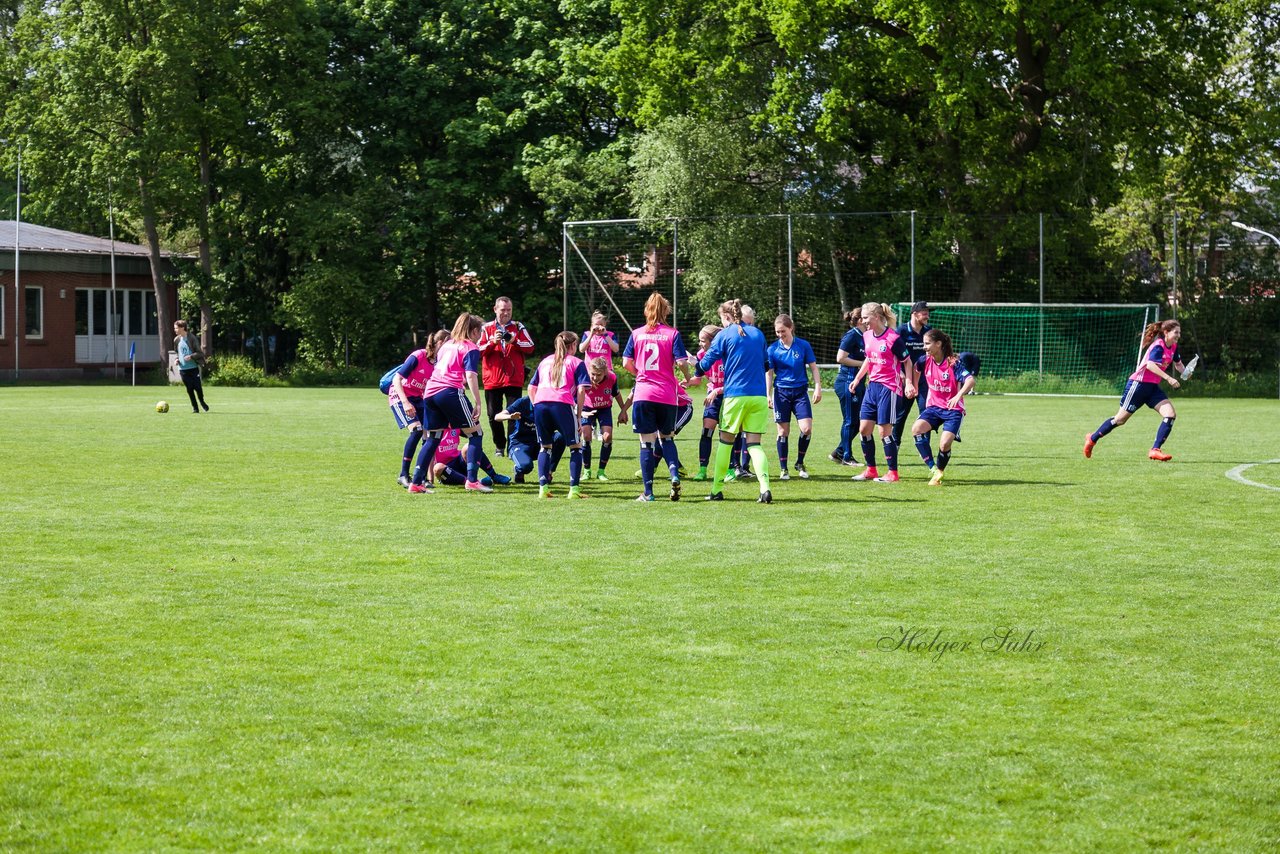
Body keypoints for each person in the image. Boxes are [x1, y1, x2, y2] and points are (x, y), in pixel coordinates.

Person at [693, 299, 773, 503]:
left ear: (726, 317)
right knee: (754, 444)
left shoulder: (724, 334)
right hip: (759, 396)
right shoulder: (758, 333)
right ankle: (764, 489)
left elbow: (705, 363)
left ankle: (716, 490)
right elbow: (766, 365)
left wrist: (696, 368)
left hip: (735, 396)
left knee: (725, 443)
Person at [409, 312, 491, 494]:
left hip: (430, 392)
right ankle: (472, 480)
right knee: (476, 434)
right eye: (481, 333)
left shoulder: (447, 345)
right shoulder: (470, 347)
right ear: (475, 331)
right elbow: (470, 375)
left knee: (433, 438)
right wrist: (477, 401)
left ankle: (416, 483)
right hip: (449, 392)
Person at [622, 293, 692, 502]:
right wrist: (688, 377)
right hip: (667, 395)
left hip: (644, 393)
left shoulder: (636, 334)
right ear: (666, 311)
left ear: (646, 310)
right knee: (667, 437)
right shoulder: (672, 334)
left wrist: (642, 374)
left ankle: (648, 493)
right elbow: (681, 362)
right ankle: (673, 476)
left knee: (646, 444)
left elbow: (626, 362)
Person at [1085, 320, 1186, 461]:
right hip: (1138, 385)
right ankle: (1092, 439)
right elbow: (1151, 365)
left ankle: (1155, 450)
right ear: (1166, 332)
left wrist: (1186, 372)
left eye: (1179, 332)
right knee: (1120, 420)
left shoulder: (1173, 347)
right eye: (1176, 332)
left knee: (1170, 414)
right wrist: (1169, 379)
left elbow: (1178, 364)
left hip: (1152, 388)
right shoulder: (1159, 346)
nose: (1178, 335)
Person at [848, 302, 917, 483]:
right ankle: (871, 469)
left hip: (890, 388)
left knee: (884, 432)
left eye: (865, 317)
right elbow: (869, 359)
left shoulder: (893, 339)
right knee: (864, 429)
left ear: (877, 317)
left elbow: (907, 362)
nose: (863, 321)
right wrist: (857, 379)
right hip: (873, 387)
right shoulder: (867, 335)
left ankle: (892, 473)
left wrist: (908, 383)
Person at [529, 331, 592, 499]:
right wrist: (578, 416)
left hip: (541, 405)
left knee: (545, 446)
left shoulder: (545, 362)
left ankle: (543, 489)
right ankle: (574, 490)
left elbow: (531, 388)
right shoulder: (576, 362)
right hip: (562, 405)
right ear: (572, 346)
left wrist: (537, 405)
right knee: (576, 447)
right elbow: (580, 390)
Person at [910, 329, 975, 486]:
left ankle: (939, 470)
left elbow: (970, 380)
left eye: (927, 343)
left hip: (953, 410)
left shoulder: (953, 363)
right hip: (933, 407)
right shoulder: (924, 360)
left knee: (944, 444)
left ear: (938, 344)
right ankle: (934, 469)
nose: (924, 347)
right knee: (916, 429)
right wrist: (915, 386)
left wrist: (958, 396)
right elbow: (915, 369)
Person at [765, 314, 822, 480]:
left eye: (783, 331)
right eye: (777, 332)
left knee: (806, 429)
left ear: (791, 328)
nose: (780, 334)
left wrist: (817, 387)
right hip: (781, 393)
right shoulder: (772, 349)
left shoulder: (803, 345)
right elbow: (769, 373)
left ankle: (799, 462)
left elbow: (814, 368)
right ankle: (784, 469)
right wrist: (767, 394)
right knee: (783, 431)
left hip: (800, 393)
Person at [390, 330, 448, 488]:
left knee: (430, 435)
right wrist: (406, 403)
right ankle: (403, 475)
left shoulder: (438, 364)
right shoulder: (419, 355)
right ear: (440, 343)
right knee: (416, 430)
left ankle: (421, 477)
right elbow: (397, 379)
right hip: (399, 396)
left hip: (418, 398)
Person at [480, 296, 536, 456]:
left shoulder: (518, 327)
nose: (506, 313)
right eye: (503, 309)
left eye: (509, 310)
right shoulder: (487, 328)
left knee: (514, 414)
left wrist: (514, 341)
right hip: (492, 379)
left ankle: (513, 445)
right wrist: (492, 342)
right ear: (495, 309)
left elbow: (531, 347)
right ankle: (499, 446)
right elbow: (477, 351)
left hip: (514, 378)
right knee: (493, 415)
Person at [891, 302, 932, 460]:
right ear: (914, 313)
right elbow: (893, 355)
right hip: (904, 379)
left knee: (926, 413)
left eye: (928, 312)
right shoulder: (901, 331)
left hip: (924, 381)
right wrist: (900, 375)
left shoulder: (929, 332)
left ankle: (925, 448)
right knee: (901, 415)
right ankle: (895, 446)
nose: (927, 315)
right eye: (924, 312)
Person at [683, 324, 724, 481]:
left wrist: (718, 390)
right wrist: (687, 381)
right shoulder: (701, 355)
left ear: (713, 341)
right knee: (706, 431)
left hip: (728, 396)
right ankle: (702, 470)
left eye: (703, 341)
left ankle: (730, 469)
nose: (700, 344)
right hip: (711, 397)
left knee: (727, 434)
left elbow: (735, 383)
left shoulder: (727, 354)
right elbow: (698, 379)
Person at [495, 395, 566, 483]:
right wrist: (510, 417)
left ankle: (548, 472)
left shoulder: (551, 401)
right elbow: (497, 416)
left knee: (560, 437)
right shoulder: (524, 402)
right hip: (521, 443)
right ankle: (519, 470)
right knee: (526, 466)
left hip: (542, 442)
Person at [580, 357, 629, 481]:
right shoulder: (584, 376)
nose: (595, 378)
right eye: (593, 374)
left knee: (607, 437)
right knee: (586, 436)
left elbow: (616, 394)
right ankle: (586, 471)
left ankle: (601, 471)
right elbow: (576, 394)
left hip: (604, 409)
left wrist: (623, 411)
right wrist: (577, 410)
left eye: (599, 375)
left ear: (605, 373)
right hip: (586, 408)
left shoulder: (611, 377)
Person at [830, 308, 866, 466]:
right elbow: (840, 357)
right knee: (850, 420)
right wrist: (865, 364)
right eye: (865, 317)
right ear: (860, 321)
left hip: (858, 382)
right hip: (847, 381)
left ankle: (838, 451)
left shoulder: (867, 336)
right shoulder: (852, 335)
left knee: (860, 422)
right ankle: (846, 456)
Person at [428, 428, 510, 487]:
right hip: (445, 469)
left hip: (460, 461)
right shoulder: (435, 431)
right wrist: (430, 480)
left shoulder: (456, 425)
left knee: (470, 446)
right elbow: (430, 456)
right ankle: (476, 482)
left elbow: (476, 433)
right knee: (438, 467)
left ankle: (494, 476)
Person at [173, 321, 209, 413]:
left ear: (182, 328)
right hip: (183, 369)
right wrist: (176, 359)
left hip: (193, 368)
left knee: (198, 387)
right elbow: (178, 353)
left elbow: (200, 353)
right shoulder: (176, 340)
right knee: (189, 389)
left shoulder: (192, 338)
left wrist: (191, 356)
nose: (175, 330)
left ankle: (202, 402)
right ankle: (195, 408)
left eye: (176, 328)